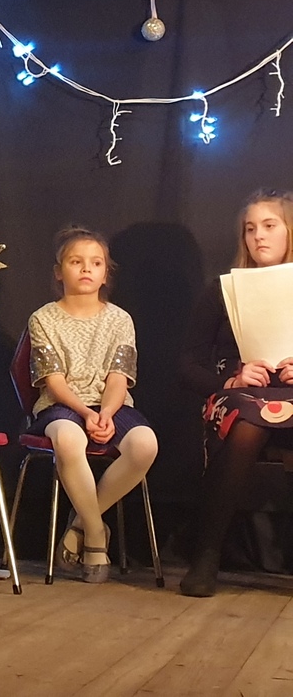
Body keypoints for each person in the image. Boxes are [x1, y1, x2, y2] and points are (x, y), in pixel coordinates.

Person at [25, 226, 159, 583]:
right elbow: (54, 381)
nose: (86, 269)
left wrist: (107, 413)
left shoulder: (120, 319)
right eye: (76, 262)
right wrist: (85, 412)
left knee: (145, 444)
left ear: (105, 273)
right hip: (63, 404)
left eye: (96, 263)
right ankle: (97, 537)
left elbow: (119, 377)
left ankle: (81, 523)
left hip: (111, 405)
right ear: (59, 271)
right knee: (68, 438)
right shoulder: (43, 318)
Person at [178, 188, 293, 597]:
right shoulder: (222, 291)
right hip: (239, 395)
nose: (258, 236)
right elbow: (188, 365)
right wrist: (231, 381)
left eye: (269, 225)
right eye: (250, 228)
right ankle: (207, 555)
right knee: (246, 421)